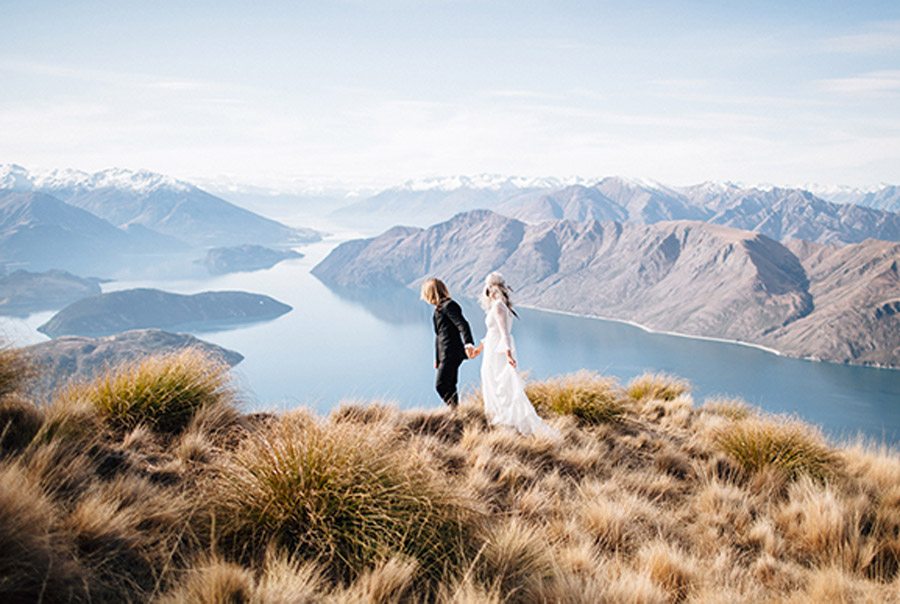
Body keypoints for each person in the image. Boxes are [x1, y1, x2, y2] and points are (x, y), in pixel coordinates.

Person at [472, 273, 559, 437]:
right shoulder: (499, 306)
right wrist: (479, 348)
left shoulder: (498, 307)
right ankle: (499, 420)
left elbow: (504, 333)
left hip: (497, 352)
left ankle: (501, 421)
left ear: (491, 288)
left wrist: (508, 355)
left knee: (498, 384)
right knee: (493, 382)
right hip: (492, 348)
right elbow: (492, 332)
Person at [420, 278, 480, 409]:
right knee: (450, 384)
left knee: (441, 385)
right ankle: (456, 412)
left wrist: (468, 343)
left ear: (430, 293)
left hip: (451, 352)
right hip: (445, 353)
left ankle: (454, 410)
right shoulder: (439, 309)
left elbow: (462, 324)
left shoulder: (449, 305)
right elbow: (438, 335)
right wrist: (437, 359)